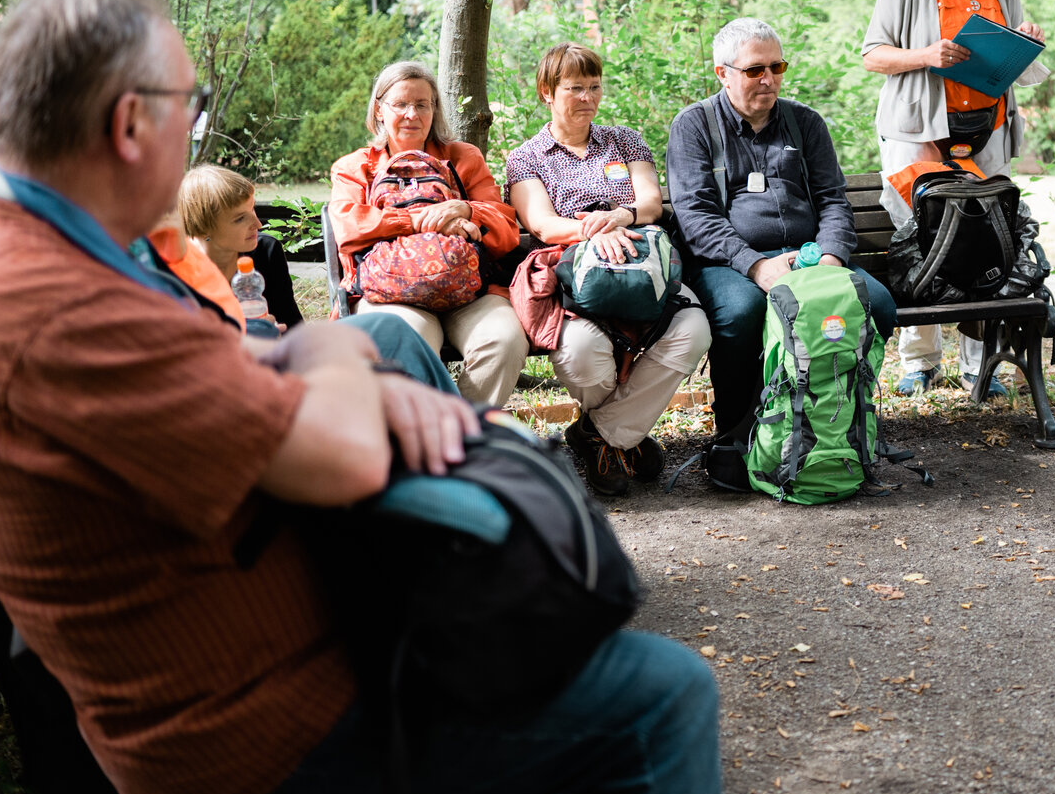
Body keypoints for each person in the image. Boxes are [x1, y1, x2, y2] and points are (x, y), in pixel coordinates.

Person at [0, 0, 726, 794]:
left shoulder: (22, 247)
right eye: (188, 108)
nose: (192, 136)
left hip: (246, 636)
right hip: (242, 714)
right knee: (659, 696)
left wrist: (332, 370)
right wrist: (335, 362)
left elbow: (236, 367)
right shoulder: (48, 310)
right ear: (128, 123)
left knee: (476, 533)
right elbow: (326, 443)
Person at [667, 17, 897, 492]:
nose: (768, 79)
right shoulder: (694, 126)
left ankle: (837, 428)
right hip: (727, 262)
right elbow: (695, 216)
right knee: (745, 311)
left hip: (811, 257)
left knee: (876, 303)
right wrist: (755, 264)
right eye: (755, 70)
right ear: (722, 73)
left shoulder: (804, 122)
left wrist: (832, 258)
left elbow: (834, 199)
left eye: (776, 67)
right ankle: (736, 435)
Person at [862, 0, 1045, 397]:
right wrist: (925, 56)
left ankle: (978, 368)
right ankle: (920, 361)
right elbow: (873, 54)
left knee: (990, 243)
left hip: (985, 131)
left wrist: (1027, 38)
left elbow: (1010, 55)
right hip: (917, 132)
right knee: (922, 241)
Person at [504, 42, 712, 498]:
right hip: (577, 274)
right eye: (575, 88)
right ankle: (625, 439)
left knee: (694, 328)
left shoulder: (625, 140)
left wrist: (620, 217)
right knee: (579, 351)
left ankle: (597, 436)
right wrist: (593, 232)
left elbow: (651, 203)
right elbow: (541, 223)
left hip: (644, 263)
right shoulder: (527, 157)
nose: (588, 98)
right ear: (546, 92)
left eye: (594, 87)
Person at [329, 61, 529, 406]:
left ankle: (460, 434)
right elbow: (349, 227)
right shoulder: (355, 167)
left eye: (423, 104)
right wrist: (423, 219)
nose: (412, 114)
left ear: (435, 110)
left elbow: (507, 228)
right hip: (390, 294)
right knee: (407, 338)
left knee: (504, 340)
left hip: (469, 291)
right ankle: (434, 440)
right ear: (379, 109)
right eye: (401, 104)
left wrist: (466, 210)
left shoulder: (463, 158)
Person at [178, 162, 304, 330]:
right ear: (202, 228)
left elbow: (293, 326)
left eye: (253, 209)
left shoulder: (265, 251)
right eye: (240, 219)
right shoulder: (178, 269)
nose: (258, 224)